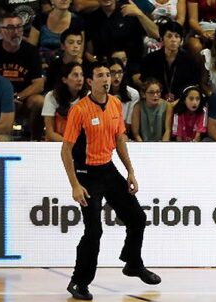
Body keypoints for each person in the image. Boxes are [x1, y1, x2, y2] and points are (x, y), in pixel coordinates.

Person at [61, 60, 161, 301]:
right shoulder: (80, 110)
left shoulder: (116, 103)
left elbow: (119, 140)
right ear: (89, 81)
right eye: (100, 75)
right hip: (87, 175)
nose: (107, 79)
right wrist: (75, 184)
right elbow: (66, 150)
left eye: (109, 75)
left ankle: (133, 264)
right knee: (94, 231)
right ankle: (79, 282)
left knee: (137, 218)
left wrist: (130, 171)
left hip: (108, 170)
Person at [41, 62, 87, 141]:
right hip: (57, 142)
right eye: (75, 75)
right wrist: (68, 143)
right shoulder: (52, 96)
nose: (80, 79)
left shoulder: (88, 97)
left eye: (82, 75)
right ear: (64, 79)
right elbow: (50, 132)